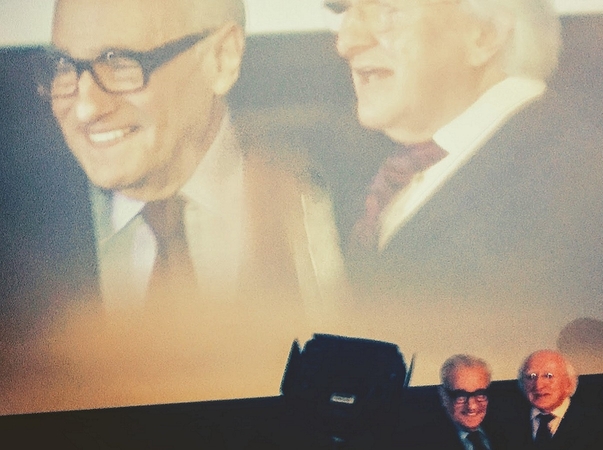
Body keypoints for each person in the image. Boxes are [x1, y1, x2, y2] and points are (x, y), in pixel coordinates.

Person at [0, 0, 348, 414]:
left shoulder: (342, 199)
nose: (85, 108)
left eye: (120, 62)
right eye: (62, 67)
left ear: (221, 58)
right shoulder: (16, 236)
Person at [322, 0, 567, 298]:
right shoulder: (396, 169)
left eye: (387, 10)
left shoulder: (575, 182)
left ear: (484, 34)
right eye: (342, 12)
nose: (346, 43)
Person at [392, 354, 508, 449]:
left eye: (480, 394)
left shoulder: (507, 430)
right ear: (443, 396)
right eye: (460, 396)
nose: (471, 406)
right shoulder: (419, 442)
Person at [514, 350, 603, 449]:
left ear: (568, 383)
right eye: (531, 377)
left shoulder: (597, 422)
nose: (538, 385)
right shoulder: (505, 420)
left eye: (548, 376)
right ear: (522, 384)